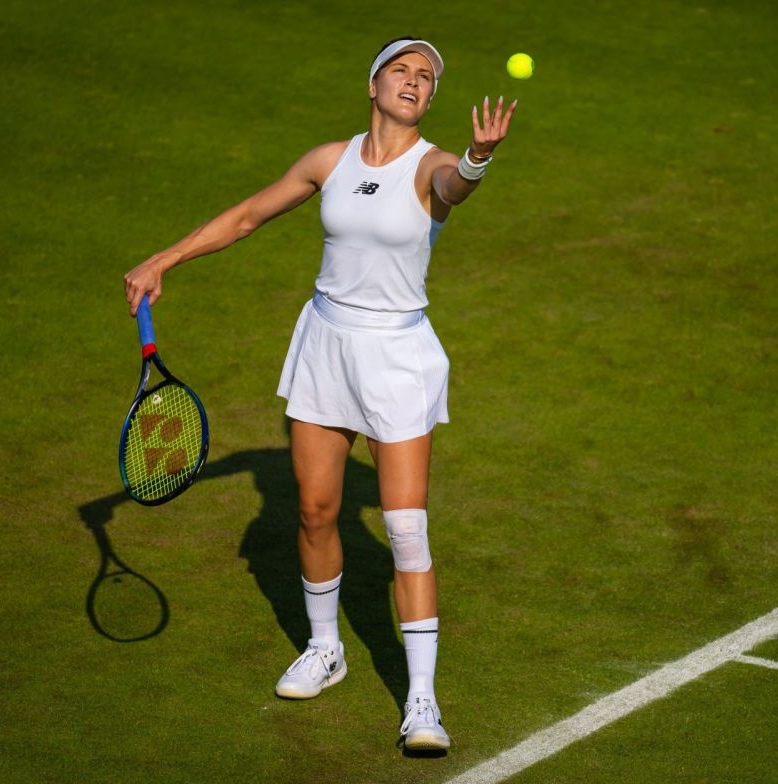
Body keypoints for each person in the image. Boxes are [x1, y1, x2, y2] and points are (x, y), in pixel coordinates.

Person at [122, 37, 517, 751]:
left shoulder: (430, 166)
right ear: (373, 85)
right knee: (312, 509)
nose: (414, 81)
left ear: (429, 100)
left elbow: (457, 185)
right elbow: (245, 217)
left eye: (426, 78)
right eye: (402, 69)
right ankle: (326, 648)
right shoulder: (327, 161)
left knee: (404, 530)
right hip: (325, 345)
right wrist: (164, 258)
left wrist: (478, 156)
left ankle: (422, 701)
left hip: (396, 356)